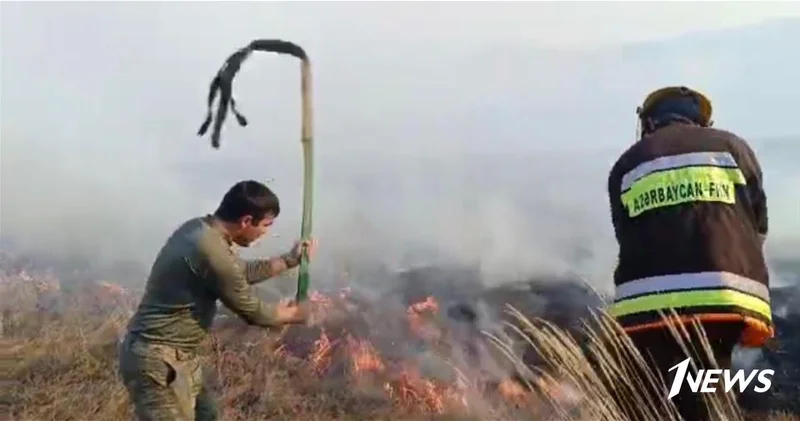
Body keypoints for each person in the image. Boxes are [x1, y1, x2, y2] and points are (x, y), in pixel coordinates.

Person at [605, 86, 774, 421]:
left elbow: (626, 234)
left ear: (650, 122)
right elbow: (759, 225)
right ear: (701, 120)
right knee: (709, 382)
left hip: (649, 304)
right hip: (728, 295)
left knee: (661, 392)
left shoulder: (627, 163)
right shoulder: (734, 149)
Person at [118, 180, 317, 421]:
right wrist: (296, 314)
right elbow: (252, 310)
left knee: (207, 415)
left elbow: (238, 271)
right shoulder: (209, 249)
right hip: (157, 361)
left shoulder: (200, 230)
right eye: (266, 225)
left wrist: (288, 260)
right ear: (246, 221)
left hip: (179, 359)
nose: (265, 233)